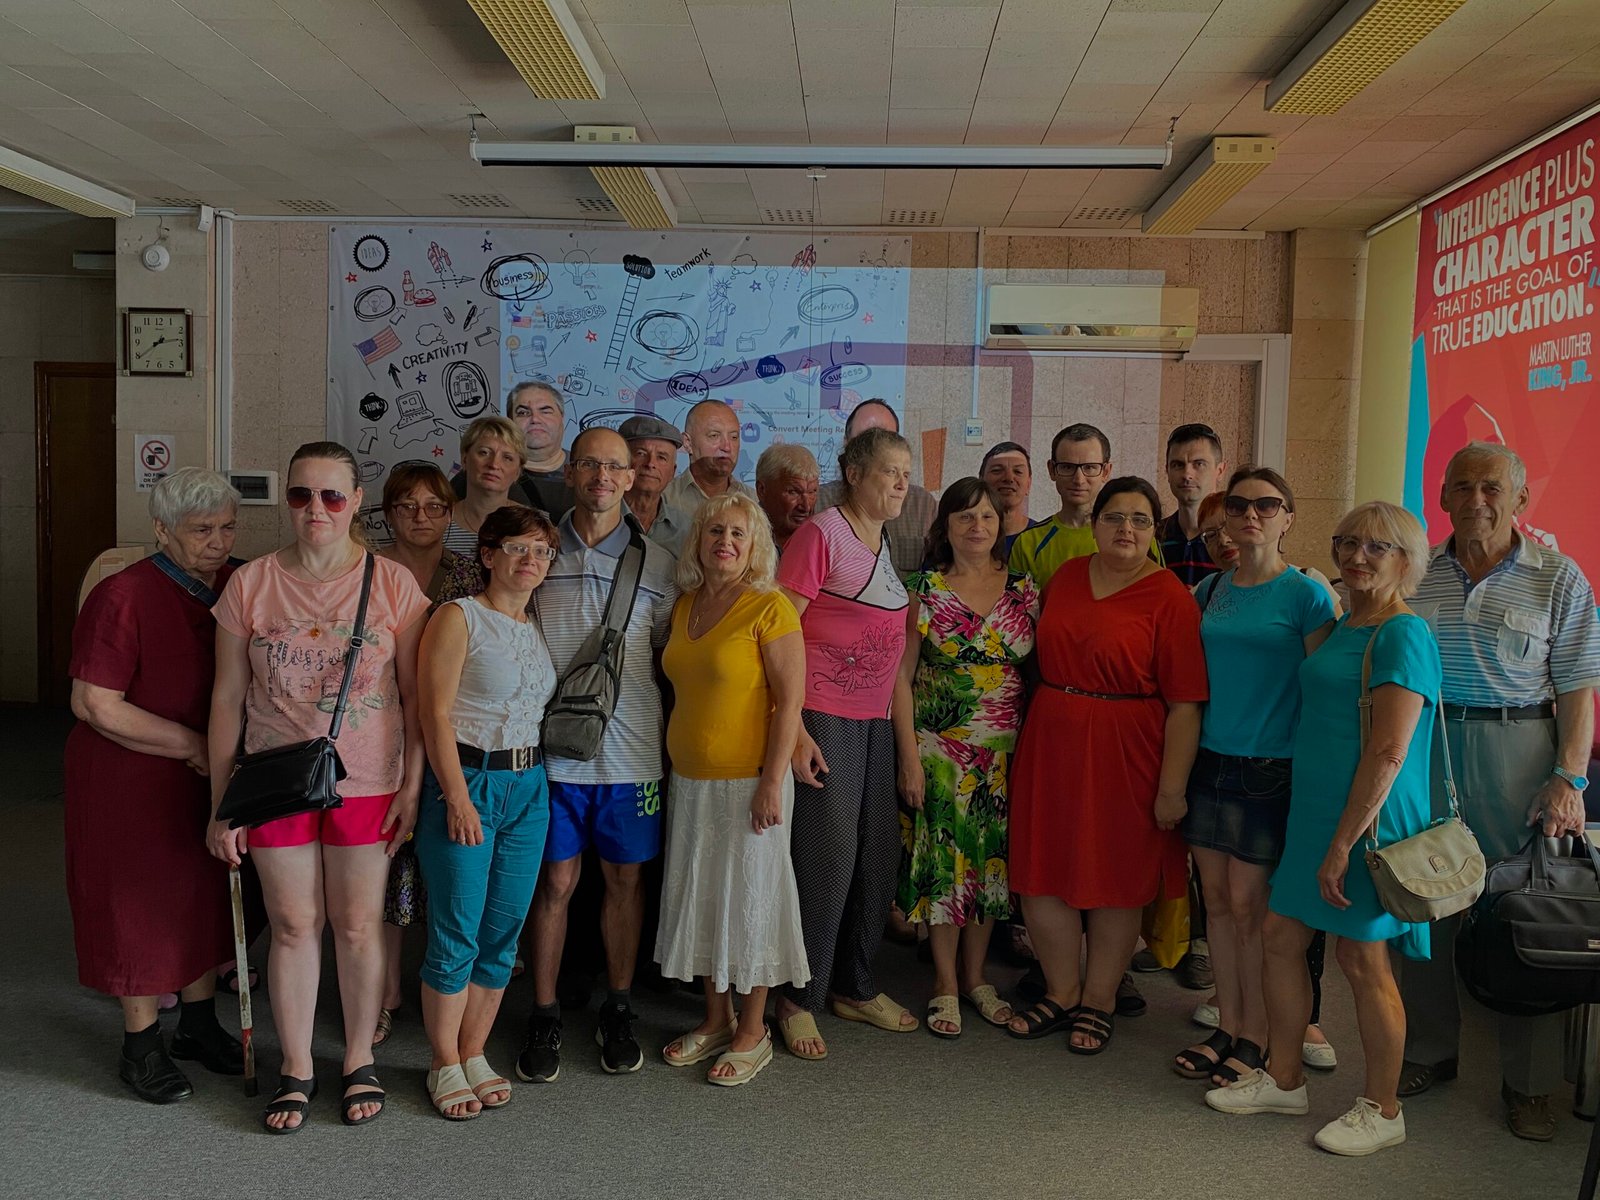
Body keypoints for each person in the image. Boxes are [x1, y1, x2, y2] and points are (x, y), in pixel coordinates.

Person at [208, 441, 431, 1134]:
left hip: (368, 780)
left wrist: (413, 785)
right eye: (301, 495)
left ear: (356, 501)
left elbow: (418, 698)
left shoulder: (392, 584)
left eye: (332, 495)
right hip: (275, 782)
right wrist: (222, 806)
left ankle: (359, 1057)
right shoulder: (251, 584)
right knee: (294, 925)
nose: (316, 509)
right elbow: (226, 700)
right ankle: (298, 1066)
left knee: (358, 926)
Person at [1207, 501, 1441, 1158]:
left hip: (1366, 819)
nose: (1357, 556)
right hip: (1315, 810)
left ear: (1407, 560)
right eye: (1348, 542)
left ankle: (1383, 1108)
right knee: (1281, 937)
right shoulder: (1345, 623)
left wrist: (1343, 844)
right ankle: (1285, 1079)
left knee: (1362, 959)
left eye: (1377, 547)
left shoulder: (1401, 633)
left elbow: (1389, 753)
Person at [1397, 441, 1600, 1142]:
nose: (1476, 500)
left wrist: (1569, 777)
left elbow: (1578, 688)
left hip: (1521, 751)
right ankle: (1429, 1048)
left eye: (1491, 487)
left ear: (1520, 499)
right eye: (1462, 487)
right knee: (1421, 897)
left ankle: (1531, 1084)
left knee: (1525, 910)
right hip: (1428, 745)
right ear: (1442, 497)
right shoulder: (1415, 570)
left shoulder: (1559, 577)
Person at [1006, 477, 1206, 1054]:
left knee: (1117, 877)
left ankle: (1099, 999)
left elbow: (1186, 704)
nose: (1126, 529)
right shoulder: (1066, 577)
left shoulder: (1169, 596)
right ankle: (1062, 990)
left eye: (1140, 519)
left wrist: (1172, 789)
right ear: (1094, 524)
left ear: (1154, 530)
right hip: (1052, 738)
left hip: (1129, 747)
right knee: (1042, 869)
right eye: (1115, 517)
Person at [67, 468, 245, 1104]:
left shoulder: (237, 584)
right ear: (162, 530)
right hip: (129, 775)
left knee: (202, 894)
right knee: (137, 906)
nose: (217, 543)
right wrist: (195, 746)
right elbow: (95, 703)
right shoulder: (123, 594)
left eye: (227, 528)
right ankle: (140, 1045)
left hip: (206, 773)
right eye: (201, 530)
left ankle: (198, 1023)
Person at [518, 427, 679, 1080]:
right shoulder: (538, 550)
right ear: (570, 472)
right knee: (555, 883)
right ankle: (544, 1011)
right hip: (553, 752)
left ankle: (619, 1006)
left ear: (632, 476)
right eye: (590, 464)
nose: (602, 477)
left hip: (633, 754)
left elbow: (667, 656)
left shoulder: (660, 564)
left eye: (615, 466)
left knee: (624, 882)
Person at [1172, 469, 1335, 1087]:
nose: (1251, 515)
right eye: (1239, 505)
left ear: (1288, 517)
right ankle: (1230, 1024)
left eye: (1267, 505)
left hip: (1272, 768)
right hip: (1209, 761)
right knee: (1215, 905)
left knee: (1251, 908)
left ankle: (1259, 1038)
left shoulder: (1307, 595)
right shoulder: (1210, 590)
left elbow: (1324, 693)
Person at [774, 426, 919, 1058]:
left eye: (907, 473)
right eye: (890, 471)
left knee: (877, 856)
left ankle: (853, 986)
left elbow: (895, 660)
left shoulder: (884, 541)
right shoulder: (822, 534)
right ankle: (796, 998)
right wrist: (794, 729)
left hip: (875, 723)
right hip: (823, 718)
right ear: (854, 473)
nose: (901, 483)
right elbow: (777, 634)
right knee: (827, 860)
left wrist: (905, 750)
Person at [655, 493, 809, 1086]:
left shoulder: (770, 606)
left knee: (751, 901)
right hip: (691, 781)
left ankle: (753, 1030)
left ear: (755, 547)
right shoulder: (685, 605)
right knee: (704, 898)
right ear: (699, 539)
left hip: (751, 782)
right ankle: (716, 1019)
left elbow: (790, 703)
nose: (725, 542)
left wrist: (772, 782)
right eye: (715, 530)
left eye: (738, 534)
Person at [415, 506, 560, 1119]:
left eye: (542, 551)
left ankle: (474, 1051)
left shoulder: (535, 627)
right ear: (488, 554)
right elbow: (434, 713)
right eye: (518, 547)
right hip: (469, 781)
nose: (531, 560)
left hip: (529, 786)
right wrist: (455, 796)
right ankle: (443, 1061)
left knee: (503, 931)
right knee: (458, 929)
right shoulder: (458, 616)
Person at [894, 478, 1039, 1037]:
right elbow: (901, 679)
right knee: (943, 866)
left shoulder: (1025, 590)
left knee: (988, 864)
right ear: (945, 527)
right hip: (939, 752)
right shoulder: (924, 589)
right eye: (964, 517)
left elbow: (1038, 673)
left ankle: (977, 978)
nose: (977, 527)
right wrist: (908, 759)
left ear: (1000, 525)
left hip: (1004, 754)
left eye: (987, 517)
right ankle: (945, 982)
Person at [373, 463, 484, 1047]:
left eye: (435, 507)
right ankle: (384, 993)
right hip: (379, 734)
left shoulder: (468, 575)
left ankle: (446, 991)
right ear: (387, 513)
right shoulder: (367, 570)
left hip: (454, 739)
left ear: (450, 514)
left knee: (449, 870)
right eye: (407, 506)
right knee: (386, 868)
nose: (421, 517)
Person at [815, 399, 938, 575]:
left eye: (888, 440)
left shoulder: (923, 505)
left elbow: (937, 571)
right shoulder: (818, 505)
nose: (901, 484)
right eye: (865, 440)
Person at [1009, 424, 1115, 586]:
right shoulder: (1028, 543)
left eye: (1089, 467)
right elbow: (1015, 601)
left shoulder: (1128, 537)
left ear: (1106, 472)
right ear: (1052, 470)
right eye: (1067, 467)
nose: (1079, 479)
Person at [450, 381, 573, 517]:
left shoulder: (584, 470)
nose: (535, 419)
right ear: (510, 420)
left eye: (545, 411)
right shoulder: (475, 475)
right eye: (523, 413)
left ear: (562, 417)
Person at [443, 417, 532, 557]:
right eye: (484, 452)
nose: (494, 464)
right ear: (464, 459)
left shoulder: (537, 525)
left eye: (507, 457)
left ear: (518, 472)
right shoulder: (435, 522)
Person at [1159, 422, 1227, 586]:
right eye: (1178, 465)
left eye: (1199, 464)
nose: (1187, 474)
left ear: (1220, 471)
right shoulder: (1153, 536)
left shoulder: (1235, 538)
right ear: (1167, 471)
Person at [620, 414, 692, 558]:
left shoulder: (686, 529)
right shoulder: (595, 516)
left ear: (673, 472)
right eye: (641, 453)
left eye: (661, 457)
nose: (650, 463)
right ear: (621, 461)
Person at [662, 398, 753, 513]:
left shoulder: (754, 501)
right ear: (688, 443)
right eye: (714, 436)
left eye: (734, 437)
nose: (727, 447)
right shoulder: (663, 500)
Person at [755, 443, 820, 553]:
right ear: (762, 490)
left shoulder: (825, 542)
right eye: (793, 492)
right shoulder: (741, 538)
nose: (806, 507)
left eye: (812, 492)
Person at [979, 440, 1038, 553]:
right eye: (997, 470)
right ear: (981, 481)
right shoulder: (964, 539)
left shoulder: (1043, 540)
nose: (1009, 478)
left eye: (1018, 471)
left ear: (1028, 484)